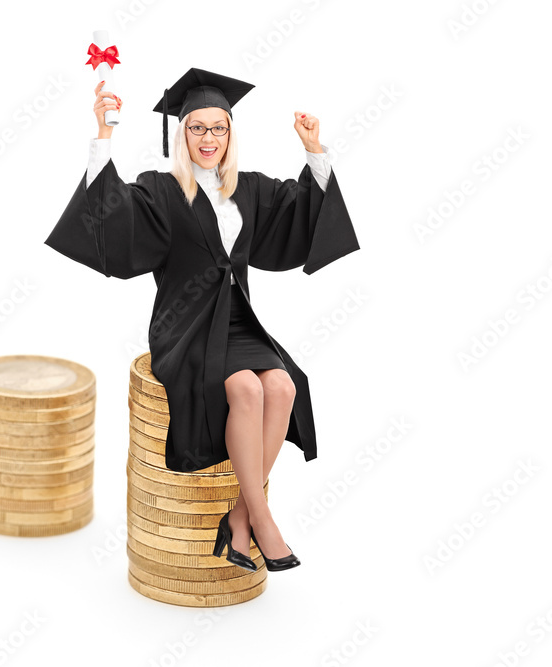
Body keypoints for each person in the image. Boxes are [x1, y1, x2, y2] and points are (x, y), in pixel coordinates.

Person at [44, 68, 360, 573]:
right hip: (185, 324)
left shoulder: (251, 189)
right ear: (181, 133)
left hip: (239, 321)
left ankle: (239, 518)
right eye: (197, 128)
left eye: (219, 128)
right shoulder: (162, 189)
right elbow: (113, 216)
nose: (209, 138)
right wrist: (103, 135)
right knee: (248, 391)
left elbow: (303, 216)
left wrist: (313, 150)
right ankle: (262, 519)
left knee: (281, 386)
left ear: (230, 133)